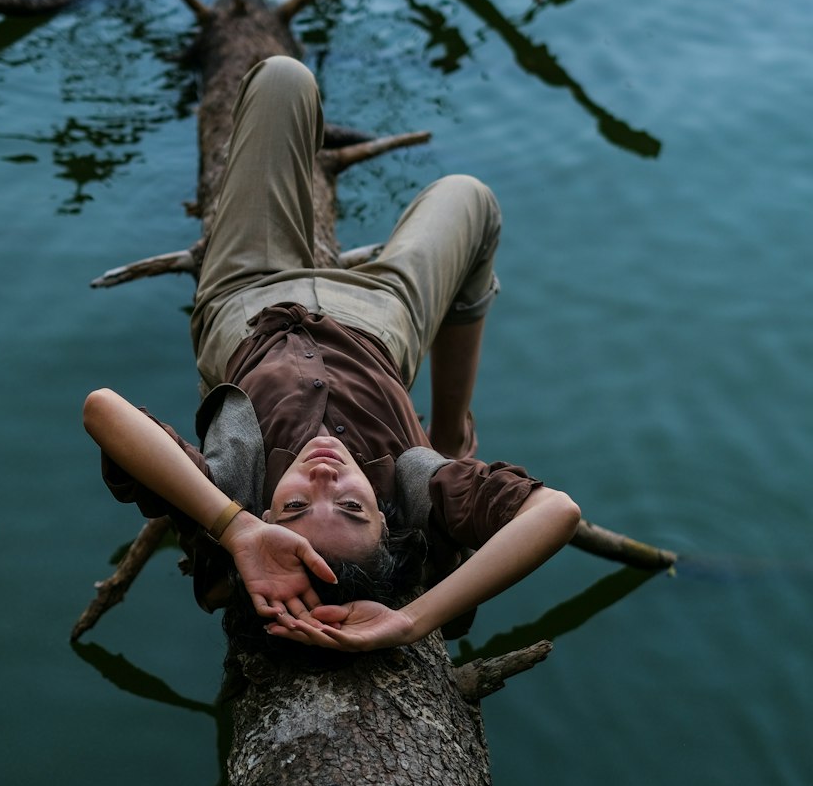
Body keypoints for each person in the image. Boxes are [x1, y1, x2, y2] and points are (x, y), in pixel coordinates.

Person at [83, 55, 579, 653]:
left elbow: (103, 409)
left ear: (267, 510)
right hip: (378, 318)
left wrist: (236, 527)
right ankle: (453, 427)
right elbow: (557, 511)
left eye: (294, 506)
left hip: (249, 299)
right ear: (388, 519)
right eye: (350, 504)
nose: (324, 475)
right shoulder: (416, 491)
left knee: (282, 78)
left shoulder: (235, 487)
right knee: (471, 199)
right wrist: (414, 619)